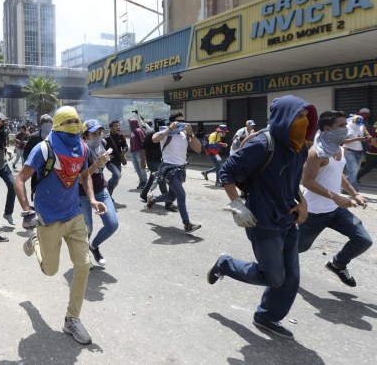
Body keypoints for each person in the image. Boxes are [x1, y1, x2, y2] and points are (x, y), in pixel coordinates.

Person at [208, 95, 318, 340]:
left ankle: (267, 316)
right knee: (273, 276)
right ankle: (225, 264)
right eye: (298, 116)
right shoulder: (261, 144)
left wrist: (302, 202)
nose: (303, 121)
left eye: (305, 117)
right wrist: (236, 204)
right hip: (263, 220)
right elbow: (226, 172)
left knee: (291, 277)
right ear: (284, 118)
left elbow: (290, 180)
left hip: (288, 216)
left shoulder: (299, 146)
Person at [14, 106, 106, 345]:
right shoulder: (44, 148)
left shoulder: (82, 147)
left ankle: (72, 319)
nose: (75, 125)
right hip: (48, 218)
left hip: (74, 216)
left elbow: (84, 175)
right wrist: (26, 209)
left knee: (83, 265)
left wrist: (93, 199)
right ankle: (35, 242)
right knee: (50, 270)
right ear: (58, 124)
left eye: (78, 121)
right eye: (70, 121)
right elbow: (20, 179)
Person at [299, 110, 373, 287]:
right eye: (341, 125)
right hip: (314, 212)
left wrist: (354, 193)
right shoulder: (316, 152)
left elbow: (339, 174)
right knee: (297, 248)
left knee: (363, 240)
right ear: (327, 128)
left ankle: (338, 264)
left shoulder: (338, 147)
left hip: (336, 210)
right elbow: (307, 181)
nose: (345, 128)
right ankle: (273, 266)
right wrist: (336, 197)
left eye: (345, 124)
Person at [146, 112, 202, 233]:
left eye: (183, 121)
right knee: (181, 194)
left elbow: (198, 149)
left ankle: (153, 199)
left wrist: (191, 133)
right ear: (172, 122)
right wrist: (170, 128)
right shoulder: (166, 132)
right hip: (168, 169)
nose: (181, 123)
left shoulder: (185, 134)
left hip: (181, 169)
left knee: (172, 196)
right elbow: (155, 139)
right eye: (178, 121)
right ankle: (187, 224)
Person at [79, 119, 119, 266]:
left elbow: (104, 163)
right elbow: (79, 179)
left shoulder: (101, 144)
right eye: (93, 133)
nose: (97, 136)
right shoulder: (79, 149)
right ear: (85, 135)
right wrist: (96, 164)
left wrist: (104, 161)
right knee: (86, 228)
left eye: (99, 132)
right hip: (82, 194)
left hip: (101, 189)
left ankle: (94, 246)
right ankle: (83, 258)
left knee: (112, 224)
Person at [140, 117, 172, 207]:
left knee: (152, 177)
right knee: (161, 178)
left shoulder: (165, 134)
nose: (164, 125)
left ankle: (143, 194)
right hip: (152, 160)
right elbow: (142, 148)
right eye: (161, 123)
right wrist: (143, 161)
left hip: (161, 160)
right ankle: (168, 201)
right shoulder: (151, 134)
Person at [23, 114, 54, 200]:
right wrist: (29, 164)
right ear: (41, 124)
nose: (48, 124)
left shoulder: (55, 136)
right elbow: (26, 151)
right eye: (45, 122)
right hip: (37, 171)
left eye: (50, 122)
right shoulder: (34, 137)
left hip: (53, 169)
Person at [342, 114, 370, 192]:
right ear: (353, 121)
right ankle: (353, 190)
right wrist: (357, 139)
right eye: (357, 124)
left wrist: (368, 136)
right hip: (349, 151)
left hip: (359, 152)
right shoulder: (347, 128)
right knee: (353, 171)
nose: (358, 125)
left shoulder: (361, 126)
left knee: (353, 171)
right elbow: (344, 141)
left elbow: (365, 131)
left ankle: (345, 188)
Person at [104, 120, 128, 196]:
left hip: (118, 161)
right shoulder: (106, 138)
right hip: (110, 162)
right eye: (116, 126)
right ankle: (106, 187)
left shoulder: (121, 136)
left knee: (116, 180)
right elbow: (101, 150)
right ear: (111, 127)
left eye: (119, 126)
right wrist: (107, 155)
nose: (118, 127)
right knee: (117, 175)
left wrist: (124, 150)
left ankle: (109, 195)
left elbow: (125, 146)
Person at [128, 118, 148, 189]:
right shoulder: (132, 132)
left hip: (139, 152)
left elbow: (143, 142)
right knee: (136, 168)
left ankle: (145, 182)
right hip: (133, 152)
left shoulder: (138, 131)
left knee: (142, 167)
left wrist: (143, 156)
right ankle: (141, 181)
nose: (129, 125)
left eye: (130, 123)